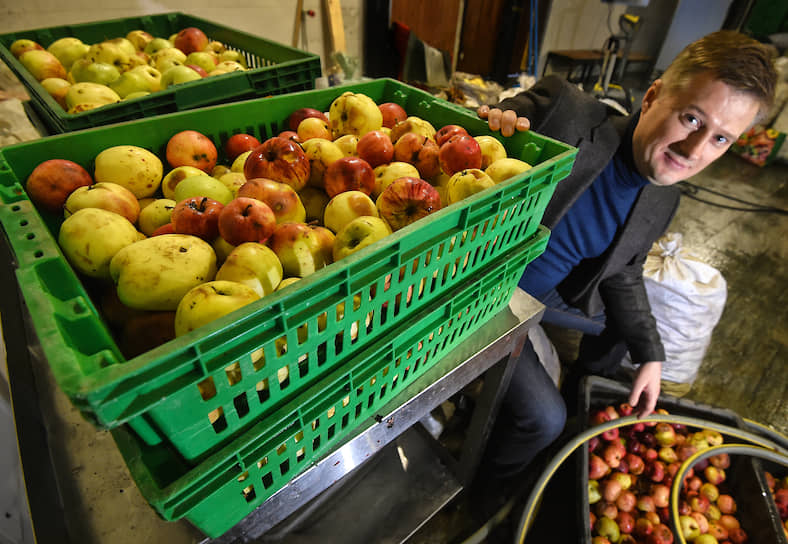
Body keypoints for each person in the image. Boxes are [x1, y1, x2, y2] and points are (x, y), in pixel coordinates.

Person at [473, 30, 777, 489]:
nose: (695, 152)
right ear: (653, 96)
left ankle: (578, 418)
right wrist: (491, 125)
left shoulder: (660, 200)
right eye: (692, 119)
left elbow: (625, 270)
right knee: (543, 417)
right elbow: (487, 130)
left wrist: (650, 355)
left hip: (527, 303)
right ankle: (489, 493)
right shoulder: (566, 114)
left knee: (616, 341)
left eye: (720, 139)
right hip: (467, 298)